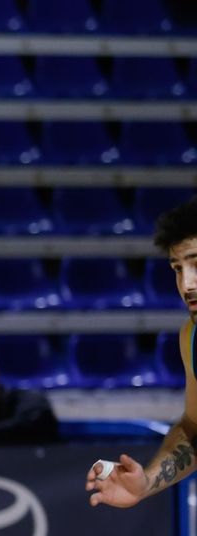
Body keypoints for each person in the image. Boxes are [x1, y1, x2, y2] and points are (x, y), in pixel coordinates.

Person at [90, 195, 197, 510]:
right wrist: (146, 483)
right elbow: (194, 429)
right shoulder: (192, 336)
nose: (187, 283)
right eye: (178, 268)